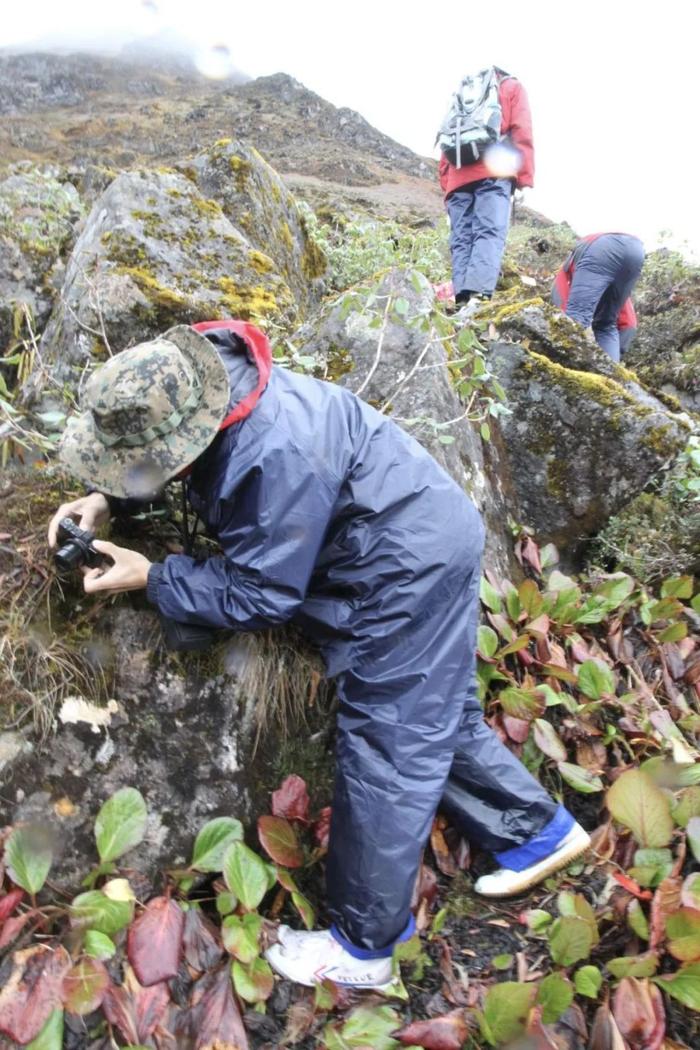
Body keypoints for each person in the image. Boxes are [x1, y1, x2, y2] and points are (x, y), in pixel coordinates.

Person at [49, 320, 590, 989]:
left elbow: (261, 594)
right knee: (428, 710)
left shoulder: (272, 455)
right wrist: (106, 495)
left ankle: (363, 949)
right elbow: (181, 458)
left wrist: (153, 577)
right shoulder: (217, 389)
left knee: (388, 734)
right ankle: (539, 833)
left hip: (402, 567)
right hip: (418, 529)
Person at [437, 65, 534, 316]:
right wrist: (523, 178)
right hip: (495, 170)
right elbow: (521, 132)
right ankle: (478, 298)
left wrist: (448, 186)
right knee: (488, 233)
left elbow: (446, 140)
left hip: (458, 175)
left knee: (461, 240)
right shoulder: (511, 87)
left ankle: (461, 298)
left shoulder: (463, 96)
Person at [552, 233, 644, 362]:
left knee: (577, 315)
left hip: (603, 247)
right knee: (605, 324)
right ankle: (610, 378)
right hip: (636, 250)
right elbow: (629, 322)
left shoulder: (563, 276)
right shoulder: (602, 284)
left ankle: (561, 366)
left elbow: (565, 313)